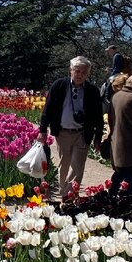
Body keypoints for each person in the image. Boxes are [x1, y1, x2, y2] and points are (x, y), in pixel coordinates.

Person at [39, 56, 104, 197]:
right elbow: (48, 108)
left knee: (77, 167)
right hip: (62, 132)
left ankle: (68, 196)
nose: (80, 75)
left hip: (82, 133)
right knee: (64, 164)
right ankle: (64, 191)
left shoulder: (92, 91)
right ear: (71, 70)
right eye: (77, 71)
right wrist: (43, 129)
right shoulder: (59, 85)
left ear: (87, 74)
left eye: (84, 72)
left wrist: (98, 136)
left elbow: (98, 115)